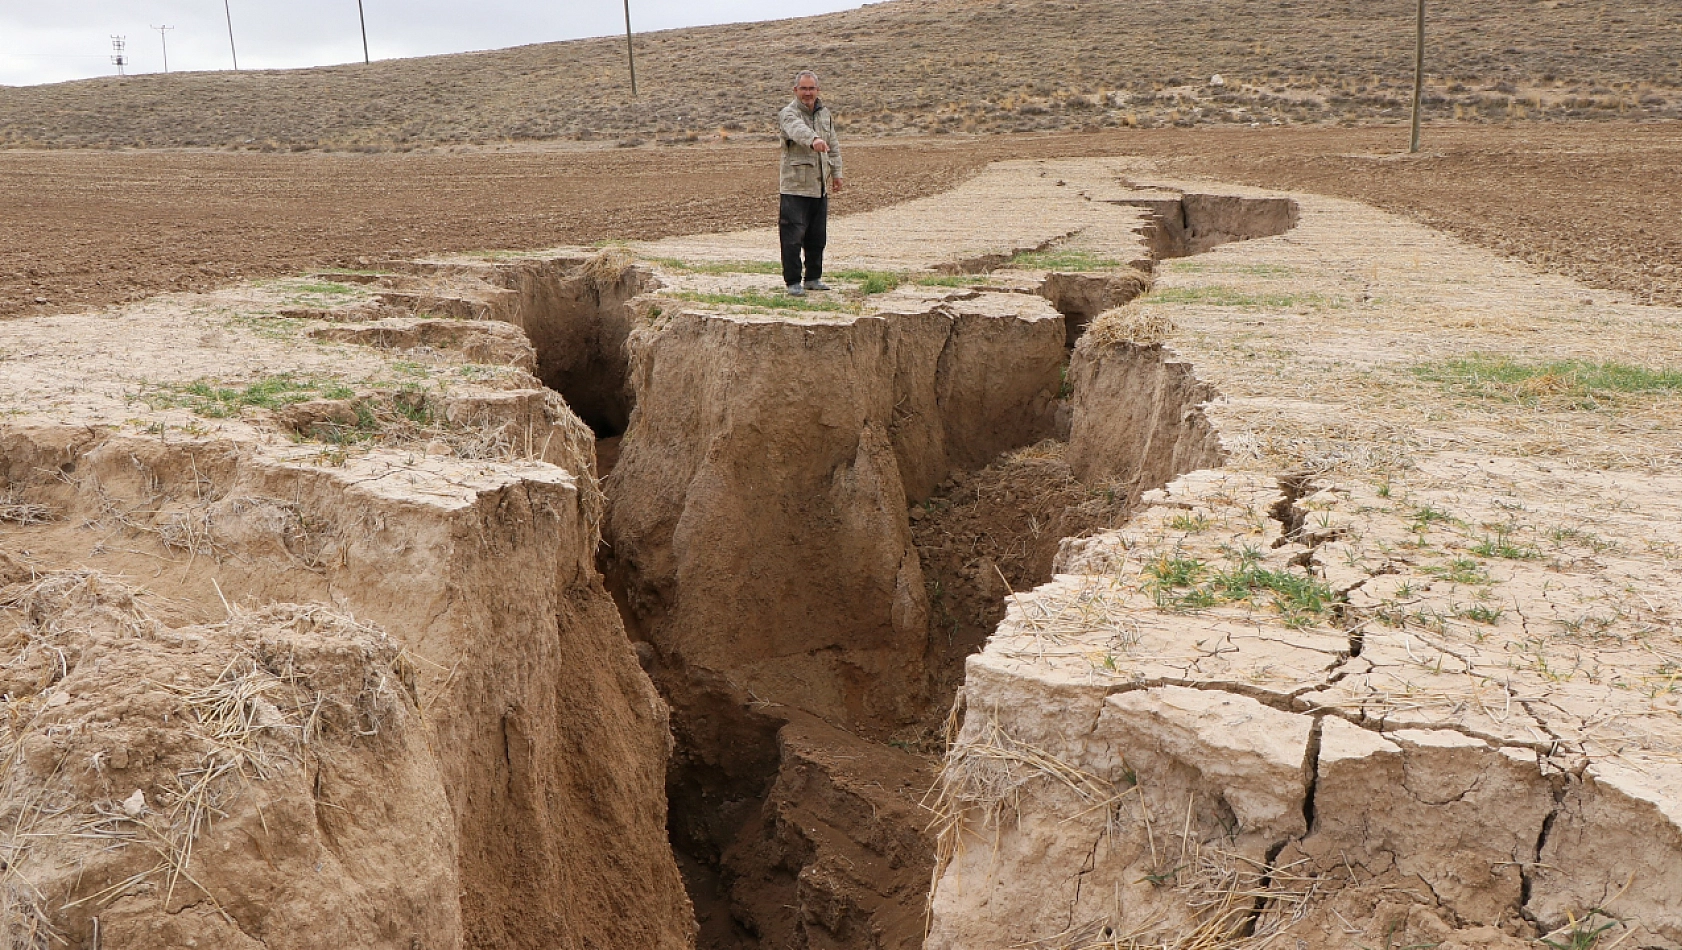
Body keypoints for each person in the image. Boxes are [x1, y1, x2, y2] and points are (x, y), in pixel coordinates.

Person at [777, 70, 843, 296]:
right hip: (795, 187)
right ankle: (793, 282)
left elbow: (833, 145)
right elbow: (797, 130)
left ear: (818, 90)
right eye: (803, 89)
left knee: (817, 237)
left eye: (811, 88)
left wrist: (837, 173)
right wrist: (813, 139)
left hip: (819, 186)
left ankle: (813, 278)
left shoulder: (825, 114)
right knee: (792, 238)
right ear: (795, 90)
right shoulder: (788, 113)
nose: (807, 93)